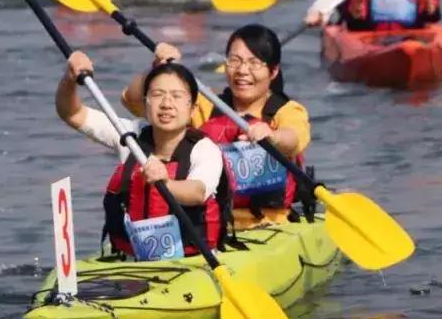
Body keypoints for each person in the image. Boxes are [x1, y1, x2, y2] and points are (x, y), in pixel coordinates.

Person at [123, 25, 312, 229]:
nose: (242, 71)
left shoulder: (287, 111)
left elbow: (294, 139)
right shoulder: (205, 105)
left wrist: (272, 137)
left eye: (254, 63)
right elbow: (132, 101)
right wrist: (156, 71)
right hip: (213, 224)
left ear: (273, 71)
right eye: (234, 60)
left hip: (272, 222)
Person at [56, 53, 224, 258]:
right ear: (145, 104)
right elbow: (72, 113)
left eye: (177, 96)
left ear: (192, 109)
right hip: (132, 259)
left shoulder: (205, 149)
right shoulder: (129, 136)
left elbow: (198, 192)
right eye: (158, 94)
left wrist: (167, 184)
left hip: (192, 259)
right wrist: (69, 79)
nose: (166, 104)